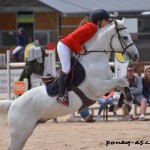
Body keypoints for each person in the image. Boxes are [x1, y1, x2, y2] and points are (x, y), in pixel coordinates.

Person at [56, 9, 110, 106]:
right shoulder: (89, 27)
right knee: (66, 68)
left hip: (70, 47)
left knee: (75, 67)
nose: (107, 22)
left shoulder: (95, 29)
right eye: (106, 20)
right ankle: (60, 95)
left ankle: (71, 88)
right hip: (64, 46)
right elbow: (73, 37)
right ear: (99, 21)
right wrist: (80, 50)